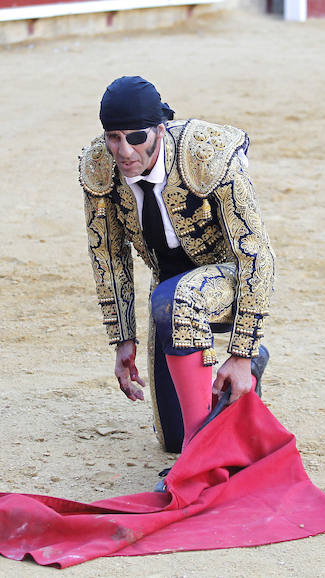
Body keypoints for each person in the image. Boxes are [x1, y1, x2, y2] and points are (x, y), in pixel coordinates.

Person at [78, 76, 275, 486]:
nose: (124, 151)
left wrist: (240, 351)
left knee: (175, 297)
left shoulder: (207, 154)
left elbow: (257, 255)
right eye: (113, 138)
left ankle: (200, 456)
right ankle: (215, 415)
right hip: (168, 293)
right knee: (169, 434)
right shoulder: (100, 168)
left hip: (228, 277)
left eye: (136, 137)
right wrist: (123, 341)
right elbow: (109, 256)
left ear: (159, 130)